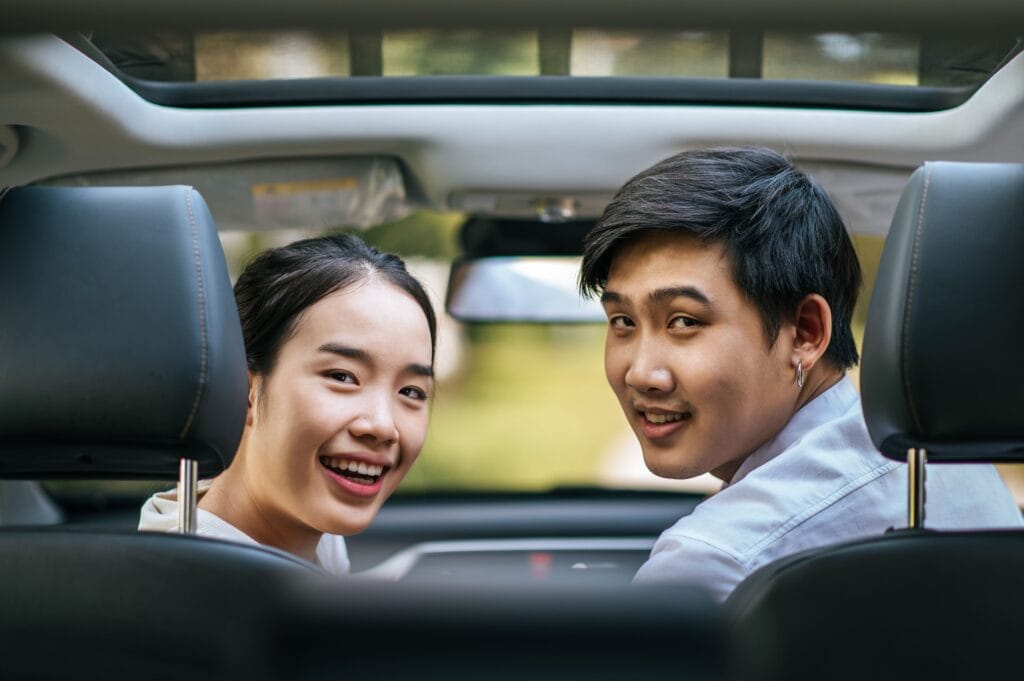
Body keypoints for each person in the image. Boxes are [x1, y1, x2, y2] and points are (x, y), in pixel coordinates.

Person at [579, 147, 1022, 601]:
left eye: (684, 321)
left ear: (805, 333)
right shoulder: (949, 474)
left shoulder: (715, 562)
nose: (640, 373)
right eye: (623, 323)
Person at [140, 234, 436, 575]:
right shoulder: (189, 594)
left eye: (411, 392)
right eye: (342, 377)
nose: (384, 426)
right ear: (243, 389)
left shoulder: (310, 542)